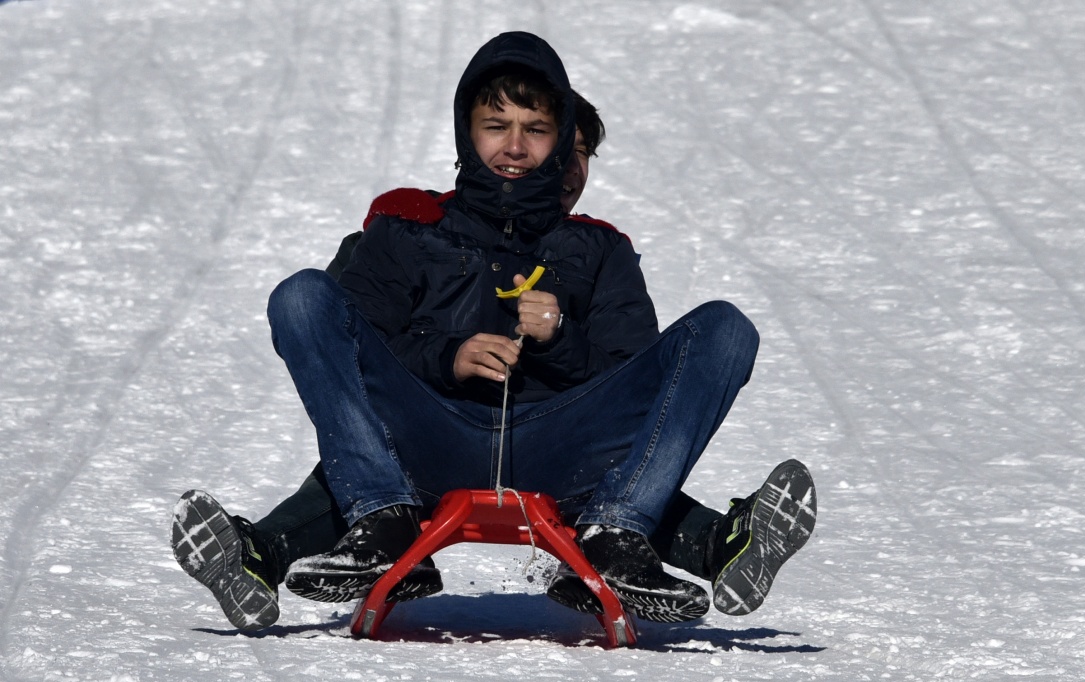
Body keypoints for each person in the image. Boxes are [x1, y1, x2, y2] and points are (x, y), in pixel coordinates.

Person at [170, 32, 816, 632]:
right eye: (496, 127)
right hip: (423, 445)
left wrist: (560, 335)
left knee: (724, 329)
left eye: (537, 131)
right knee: (304, 296)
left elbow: (636, 385)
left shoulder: (597, 250)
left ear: (564, 144)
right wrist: (447, 358)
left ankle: (621, 534)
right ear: (466, 133)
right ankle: (376, 521)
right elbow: (352, 353)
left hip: (564, 452)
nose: (515, 146)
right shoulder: (407, 229)